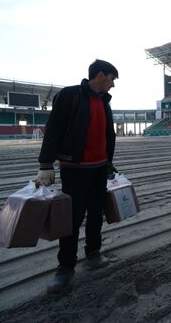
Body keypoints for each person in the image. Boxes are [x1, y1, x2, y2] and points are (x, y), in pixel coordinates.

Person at [34, 59, 118, 293]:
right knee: (72, 218)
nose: (113, 85)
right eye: (112, 79)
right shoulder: (69, 96)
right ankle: (65, 267)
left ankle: (93, 253)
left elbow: (106, 136)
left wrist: (109, 163)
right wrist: (45, 163)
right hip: (75, 169)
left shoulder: (105, 102)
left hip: (100, 168)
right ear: (101, 75)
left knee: (95, 215)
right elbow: (54, 129)